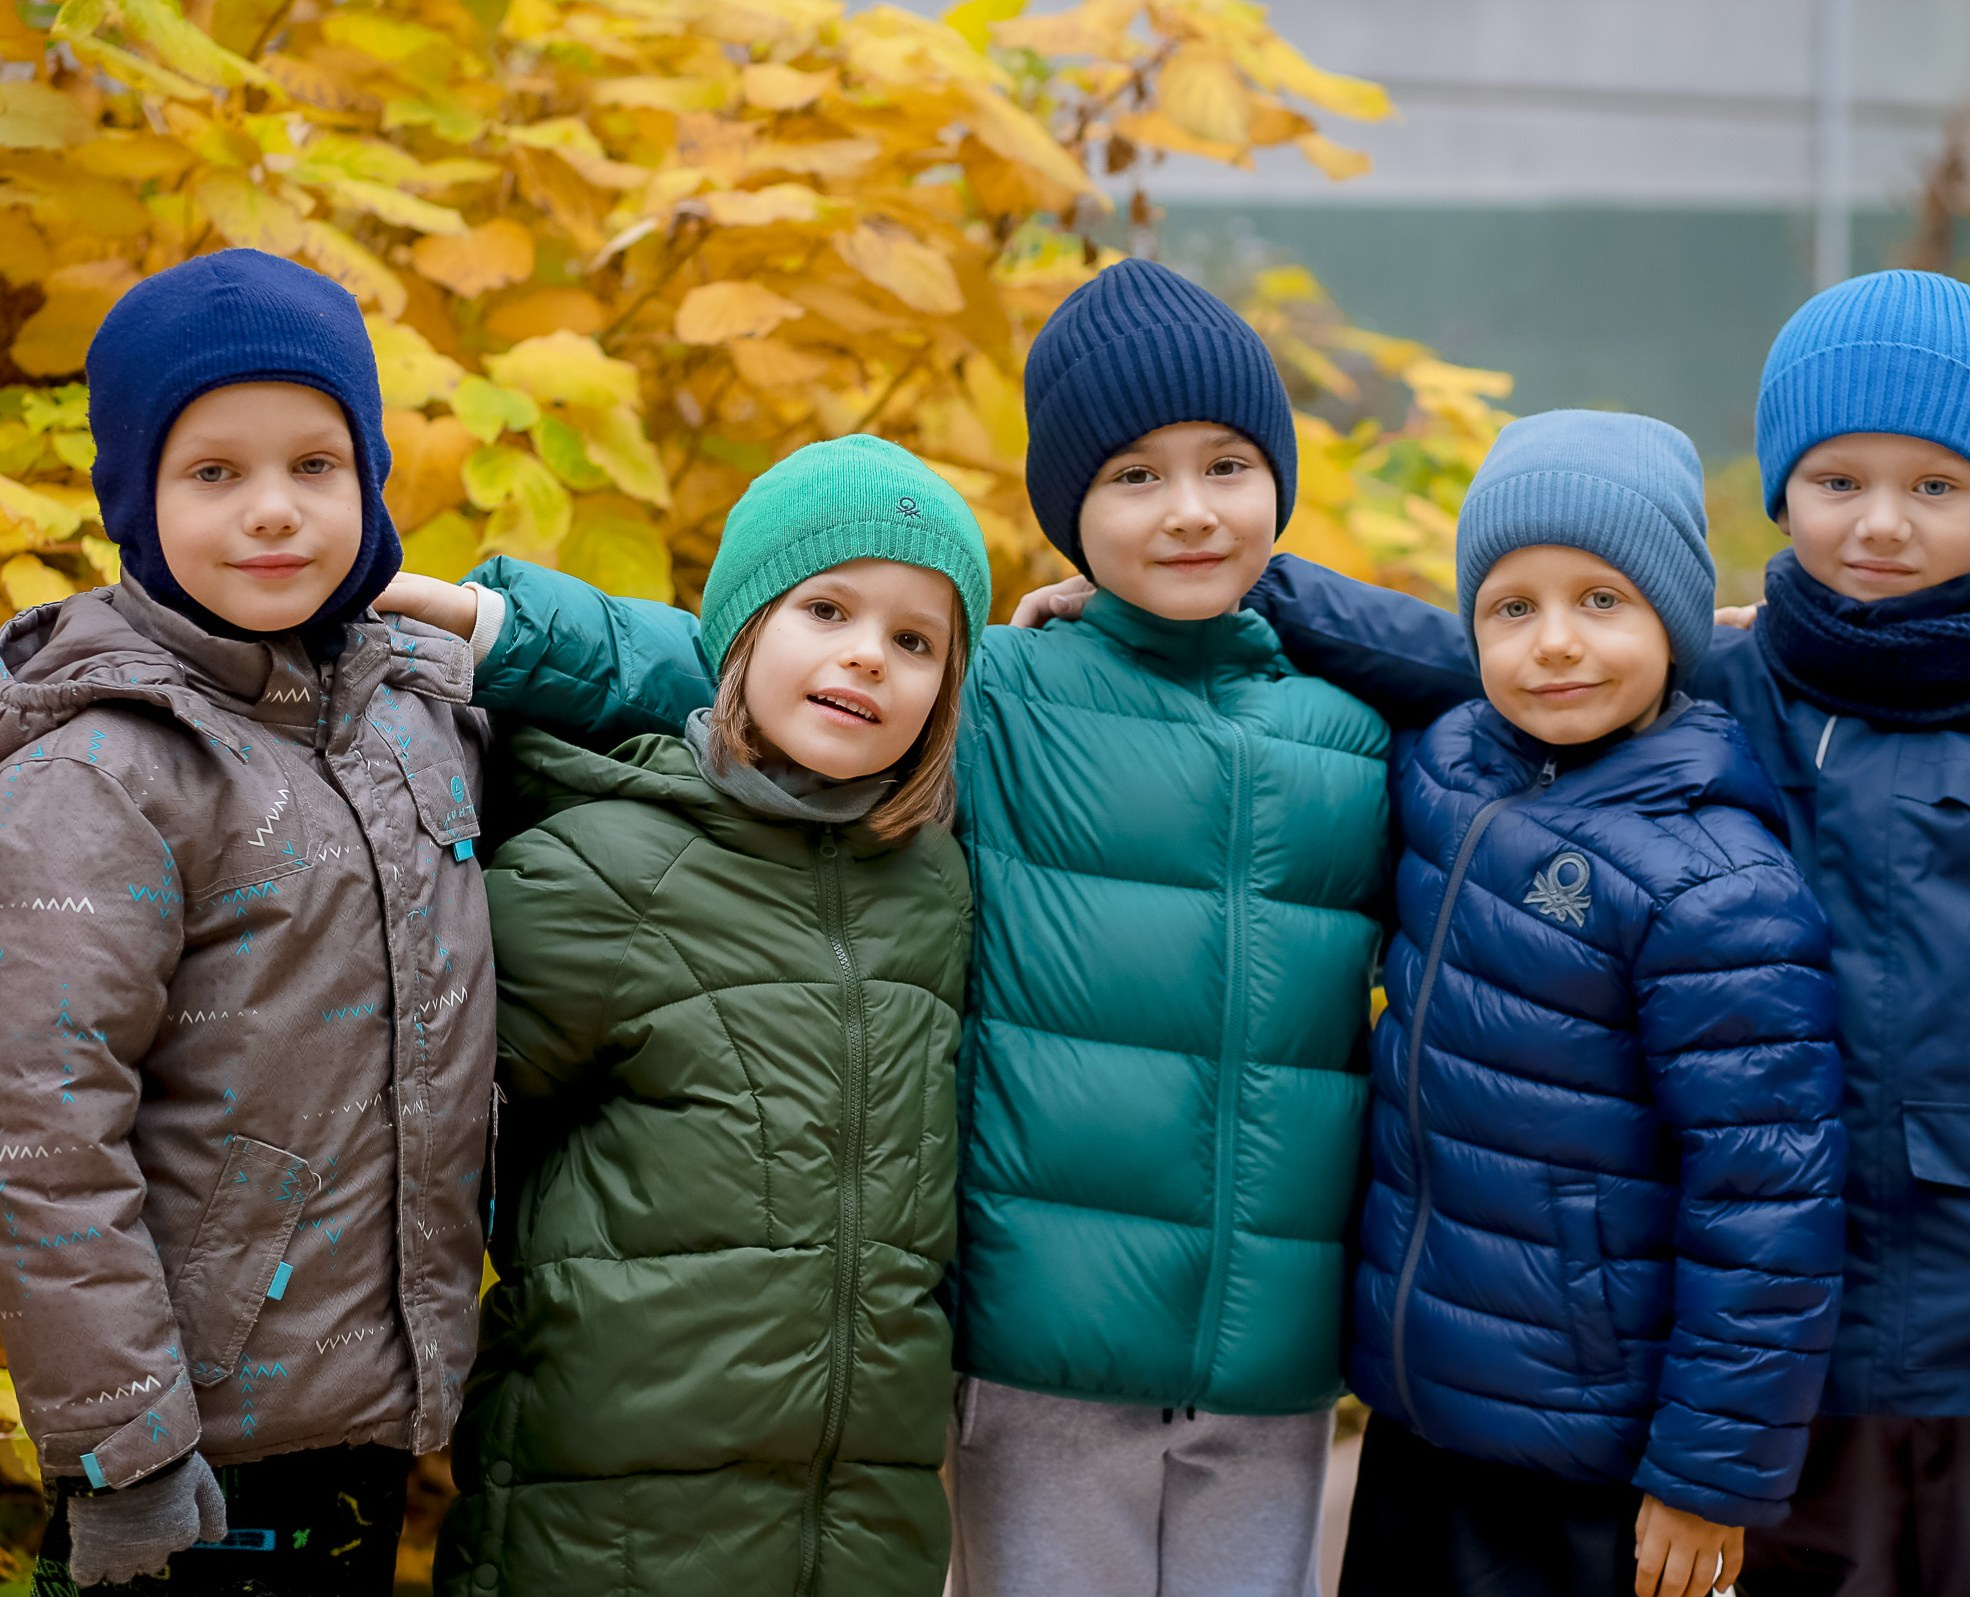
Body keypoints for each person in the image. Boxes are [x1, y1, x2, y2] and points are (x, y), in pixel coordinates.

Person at [1023, 270, 1970, 1597]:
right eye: (1839, 482)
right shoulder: (1752, 667)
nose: (1881, 524)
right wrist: (1232, 591)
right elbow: (1487, 659)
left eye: (1935, 488)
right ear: (1782, 495)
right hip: (1813, 1335)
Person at [377, 258, 1394, 1596]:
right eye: (1137, 475)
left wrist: (1698, 646)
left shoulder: (1363, 734)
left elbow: (1519, 696)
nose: (1190, 509)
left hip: (1271, 1352)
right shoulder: (1013, 694)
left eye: (1227, 465)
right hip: (1040, 1340)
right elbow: (735, 660)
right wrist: (504, 625)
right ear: (1071, 510)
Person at [0, 250, 495, 1595]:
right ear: (137, 498)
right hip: (194, 1439)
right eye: (214, 474)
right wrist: (121, 1449)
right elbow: (43, 1126)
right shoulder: (100, 773)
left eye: (316, 466)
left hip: (372, 1400)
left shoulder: (414, 712)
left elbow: (730, 706)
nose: (274, 514)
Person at [431, 435, 987, 1596]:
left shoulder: (933, 887)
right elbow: (429, 1144)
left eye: (915, 640)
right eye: (826, 607)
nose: (867, 657)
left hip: (861, 1518)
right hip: (604, 1515)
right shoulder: (602, 864)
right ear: (735, 635)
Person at [1325, 409, 1844, 1597]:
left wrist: (1711, 1475)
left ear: (1678, 621)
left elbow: (1767, 1199)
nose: (1555, 644)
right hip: (1423, 1400)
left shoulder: (1714, 881)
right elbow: (1377, 638)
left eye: (1603, 602)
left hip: (1580, 1435)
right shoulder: (1457, 761)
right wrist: (1192, 593)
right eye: (1514, 608)